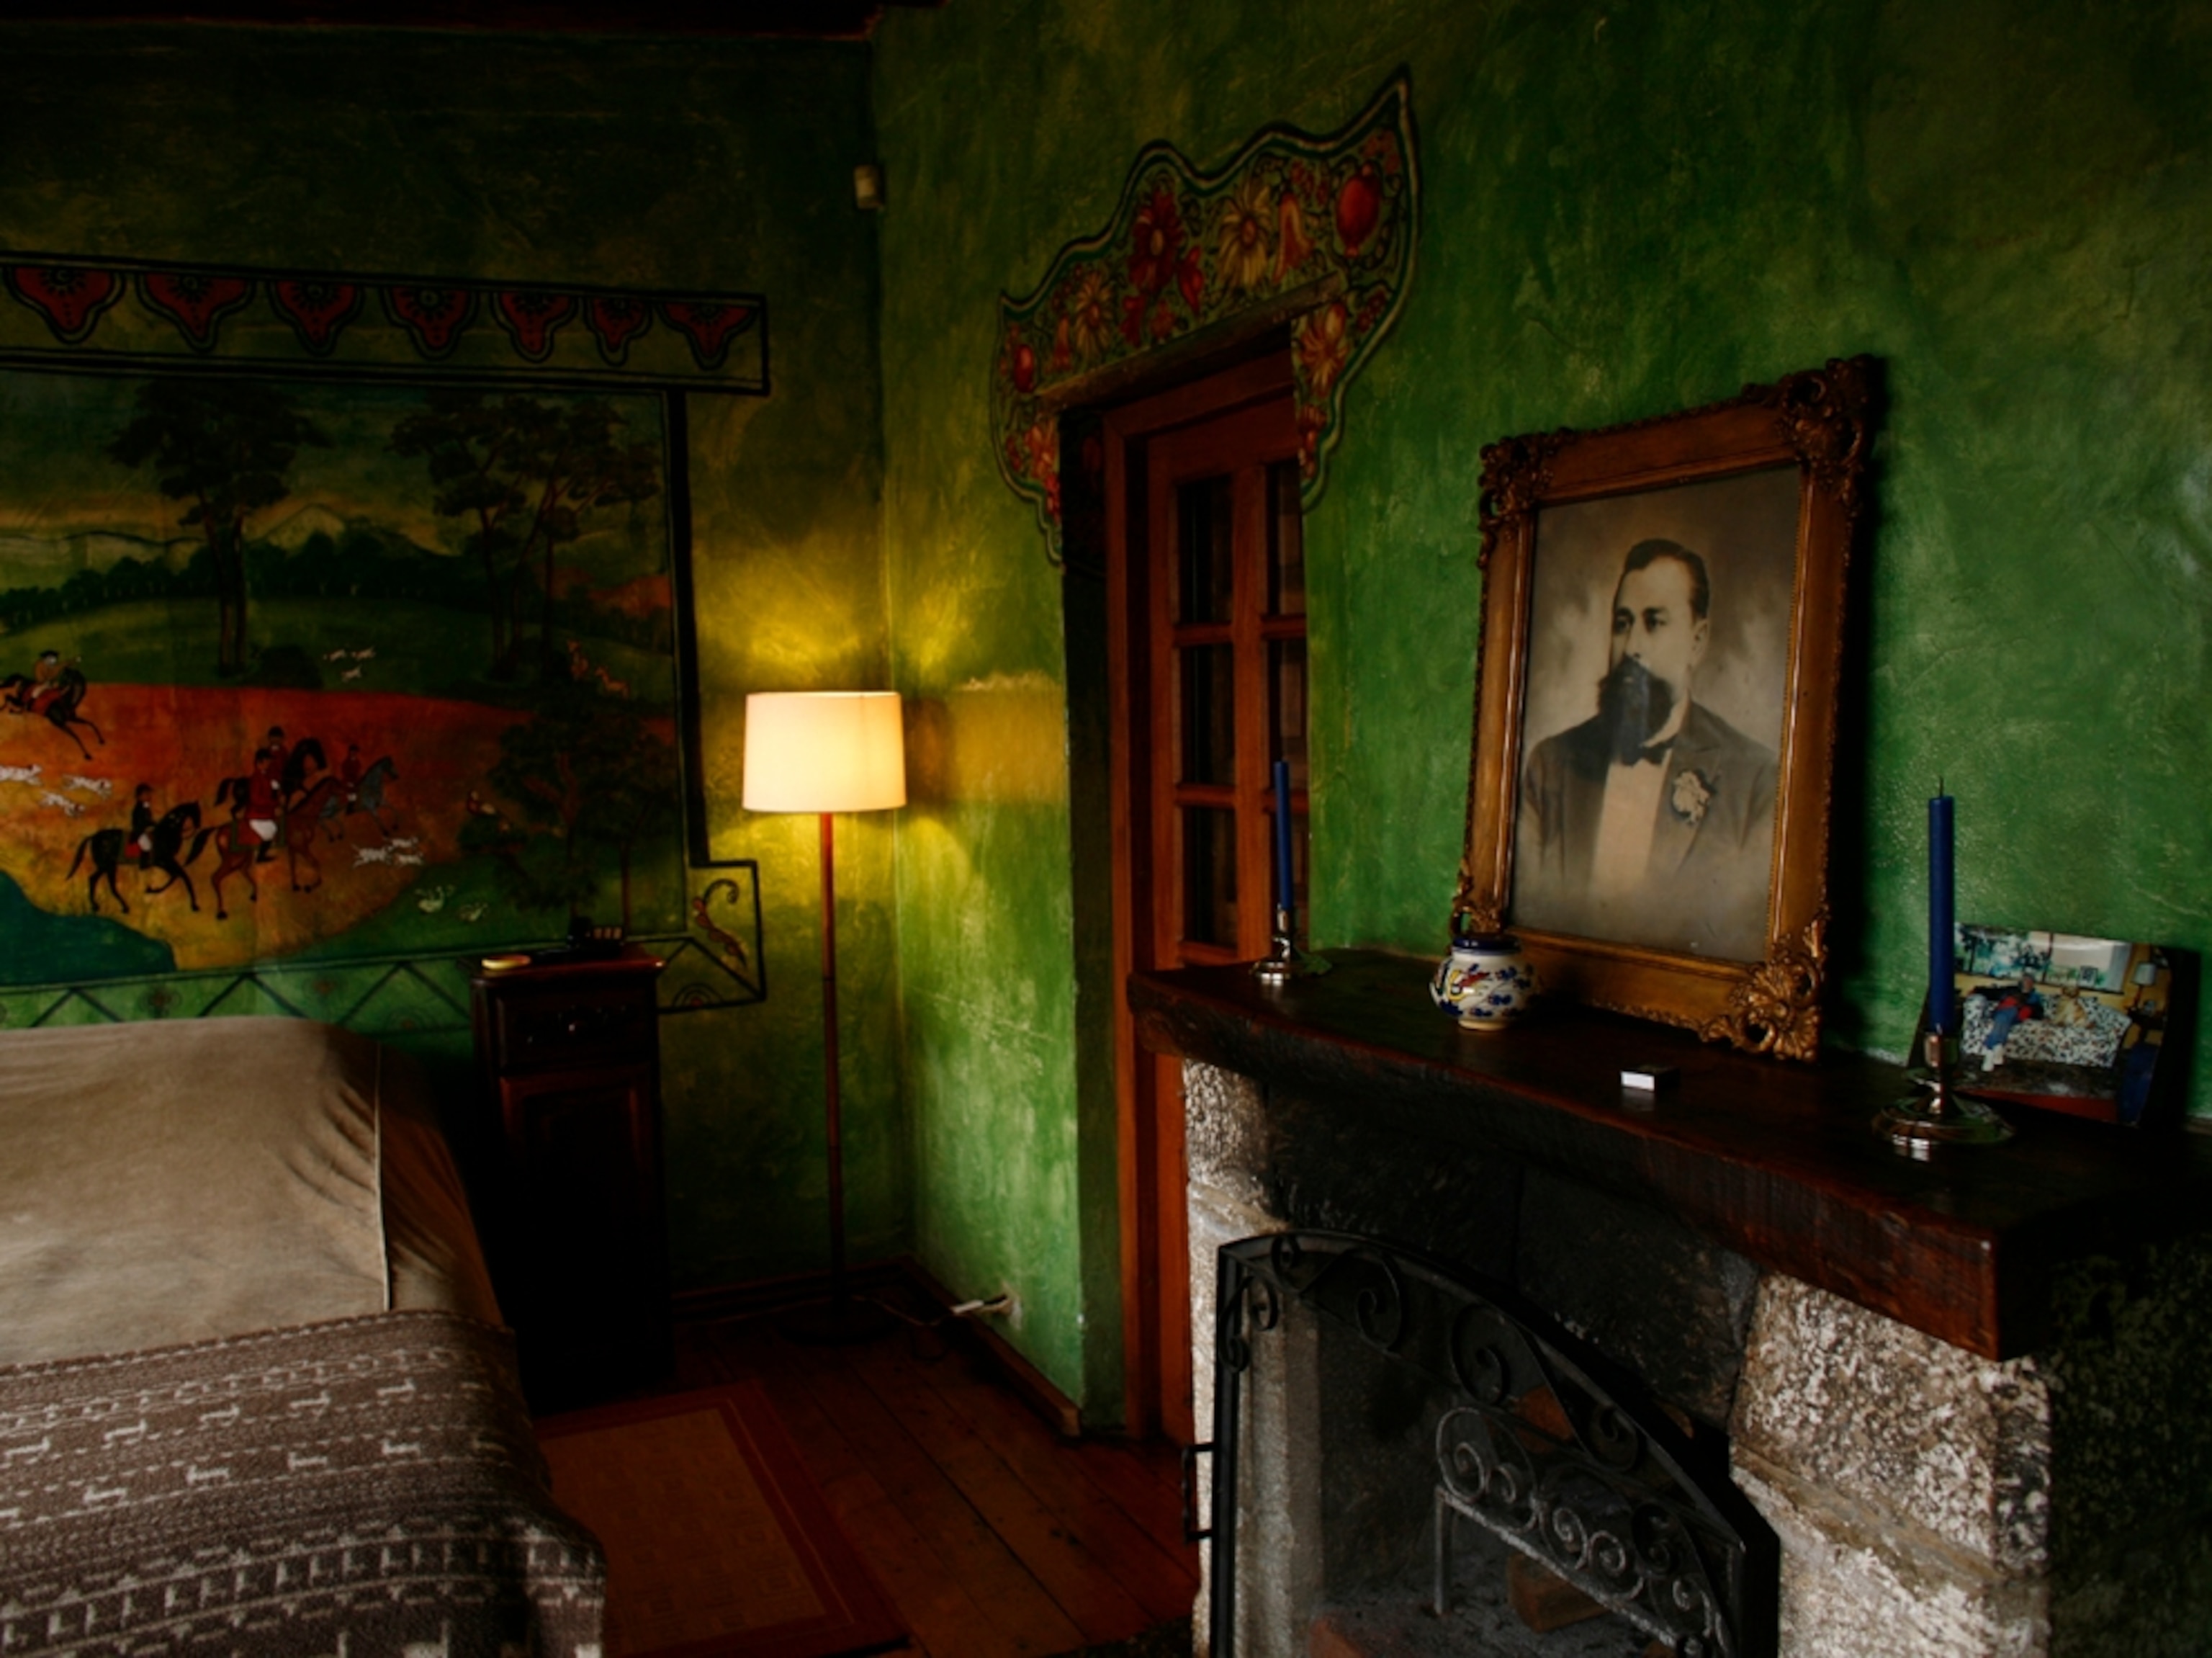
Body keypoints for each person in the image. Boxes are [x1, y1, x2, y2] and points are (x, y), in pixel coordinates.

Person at [1514, 538, 1778, 959]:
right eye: (1622, 623)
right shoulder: (1550, 765)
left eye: (1654, 622)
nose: (1632, 645)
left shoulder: (1756, 779)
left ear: (1698, 640)